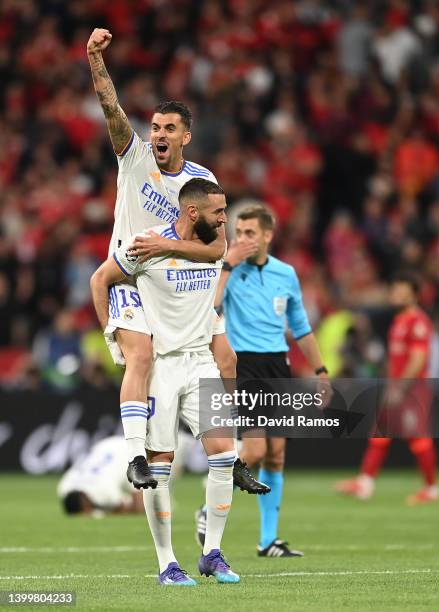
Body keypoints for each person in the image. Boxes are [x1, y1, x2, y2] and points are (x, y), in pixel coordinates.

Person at [87, 28, 239, 490]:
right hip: (130, 278)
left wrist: (169, 248)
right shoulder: (133, 158)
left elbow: (217, 248)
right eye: (155, 127)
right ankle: (136, 455)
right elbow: (112, 109)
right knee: (142, 356)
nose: (159, 134)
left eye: (169, 128)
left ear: (186, 136)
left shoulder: (201, 180)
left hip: (177, 284)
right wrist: (95, 58)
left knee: (226, 357)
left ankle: (232, 449)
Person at [91, 178, 240, 586]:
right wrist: (114, 338)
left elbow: (211, 250)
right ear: (193, 212)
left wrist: (167, 246)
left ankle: (212, 553)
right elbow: (100, 280)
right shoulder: (145, 245)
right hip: (163, 365)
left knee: (225, 454)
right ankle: (166, 564)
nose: (224, 218)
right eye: (218, 212)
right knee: (160, 466)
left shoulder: (212, 243)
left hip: (200, 361)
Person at [196, 204, 330, 558]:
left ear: (268, 235)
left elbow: (300, 327)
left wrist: (320, 371)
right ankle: (208, 510)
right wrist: (227, 264)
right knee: (254, 450)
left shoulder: (286, 274)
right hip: (245, 367)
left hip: (278, 367)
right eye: (238, 233)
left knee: (276, 456)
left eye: (250, 233)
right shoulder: (227, 269)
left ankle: (268, 540)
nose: (242, 239)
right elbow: (210, 306)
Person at [334, 272, 439, 505]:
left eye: (402, 291)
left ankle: (431, 489)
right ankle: (365, 483)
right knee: (380, 435)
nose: (396, 295)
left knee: (418, 438)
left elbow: (418, 358)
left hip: (413, 390)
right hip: (397, 387)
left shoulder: (417, 321)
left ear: (414, 295)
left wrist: (401, 388)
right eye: (395, 290)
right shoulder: (400, 320)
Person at [57, 436, 144, 516]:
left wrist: (102, 513)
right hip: (104, 446)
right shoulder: (64, 487)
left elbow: (123, 508)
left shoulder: (104, 491)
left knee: (140, 507)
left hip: (129, 451)